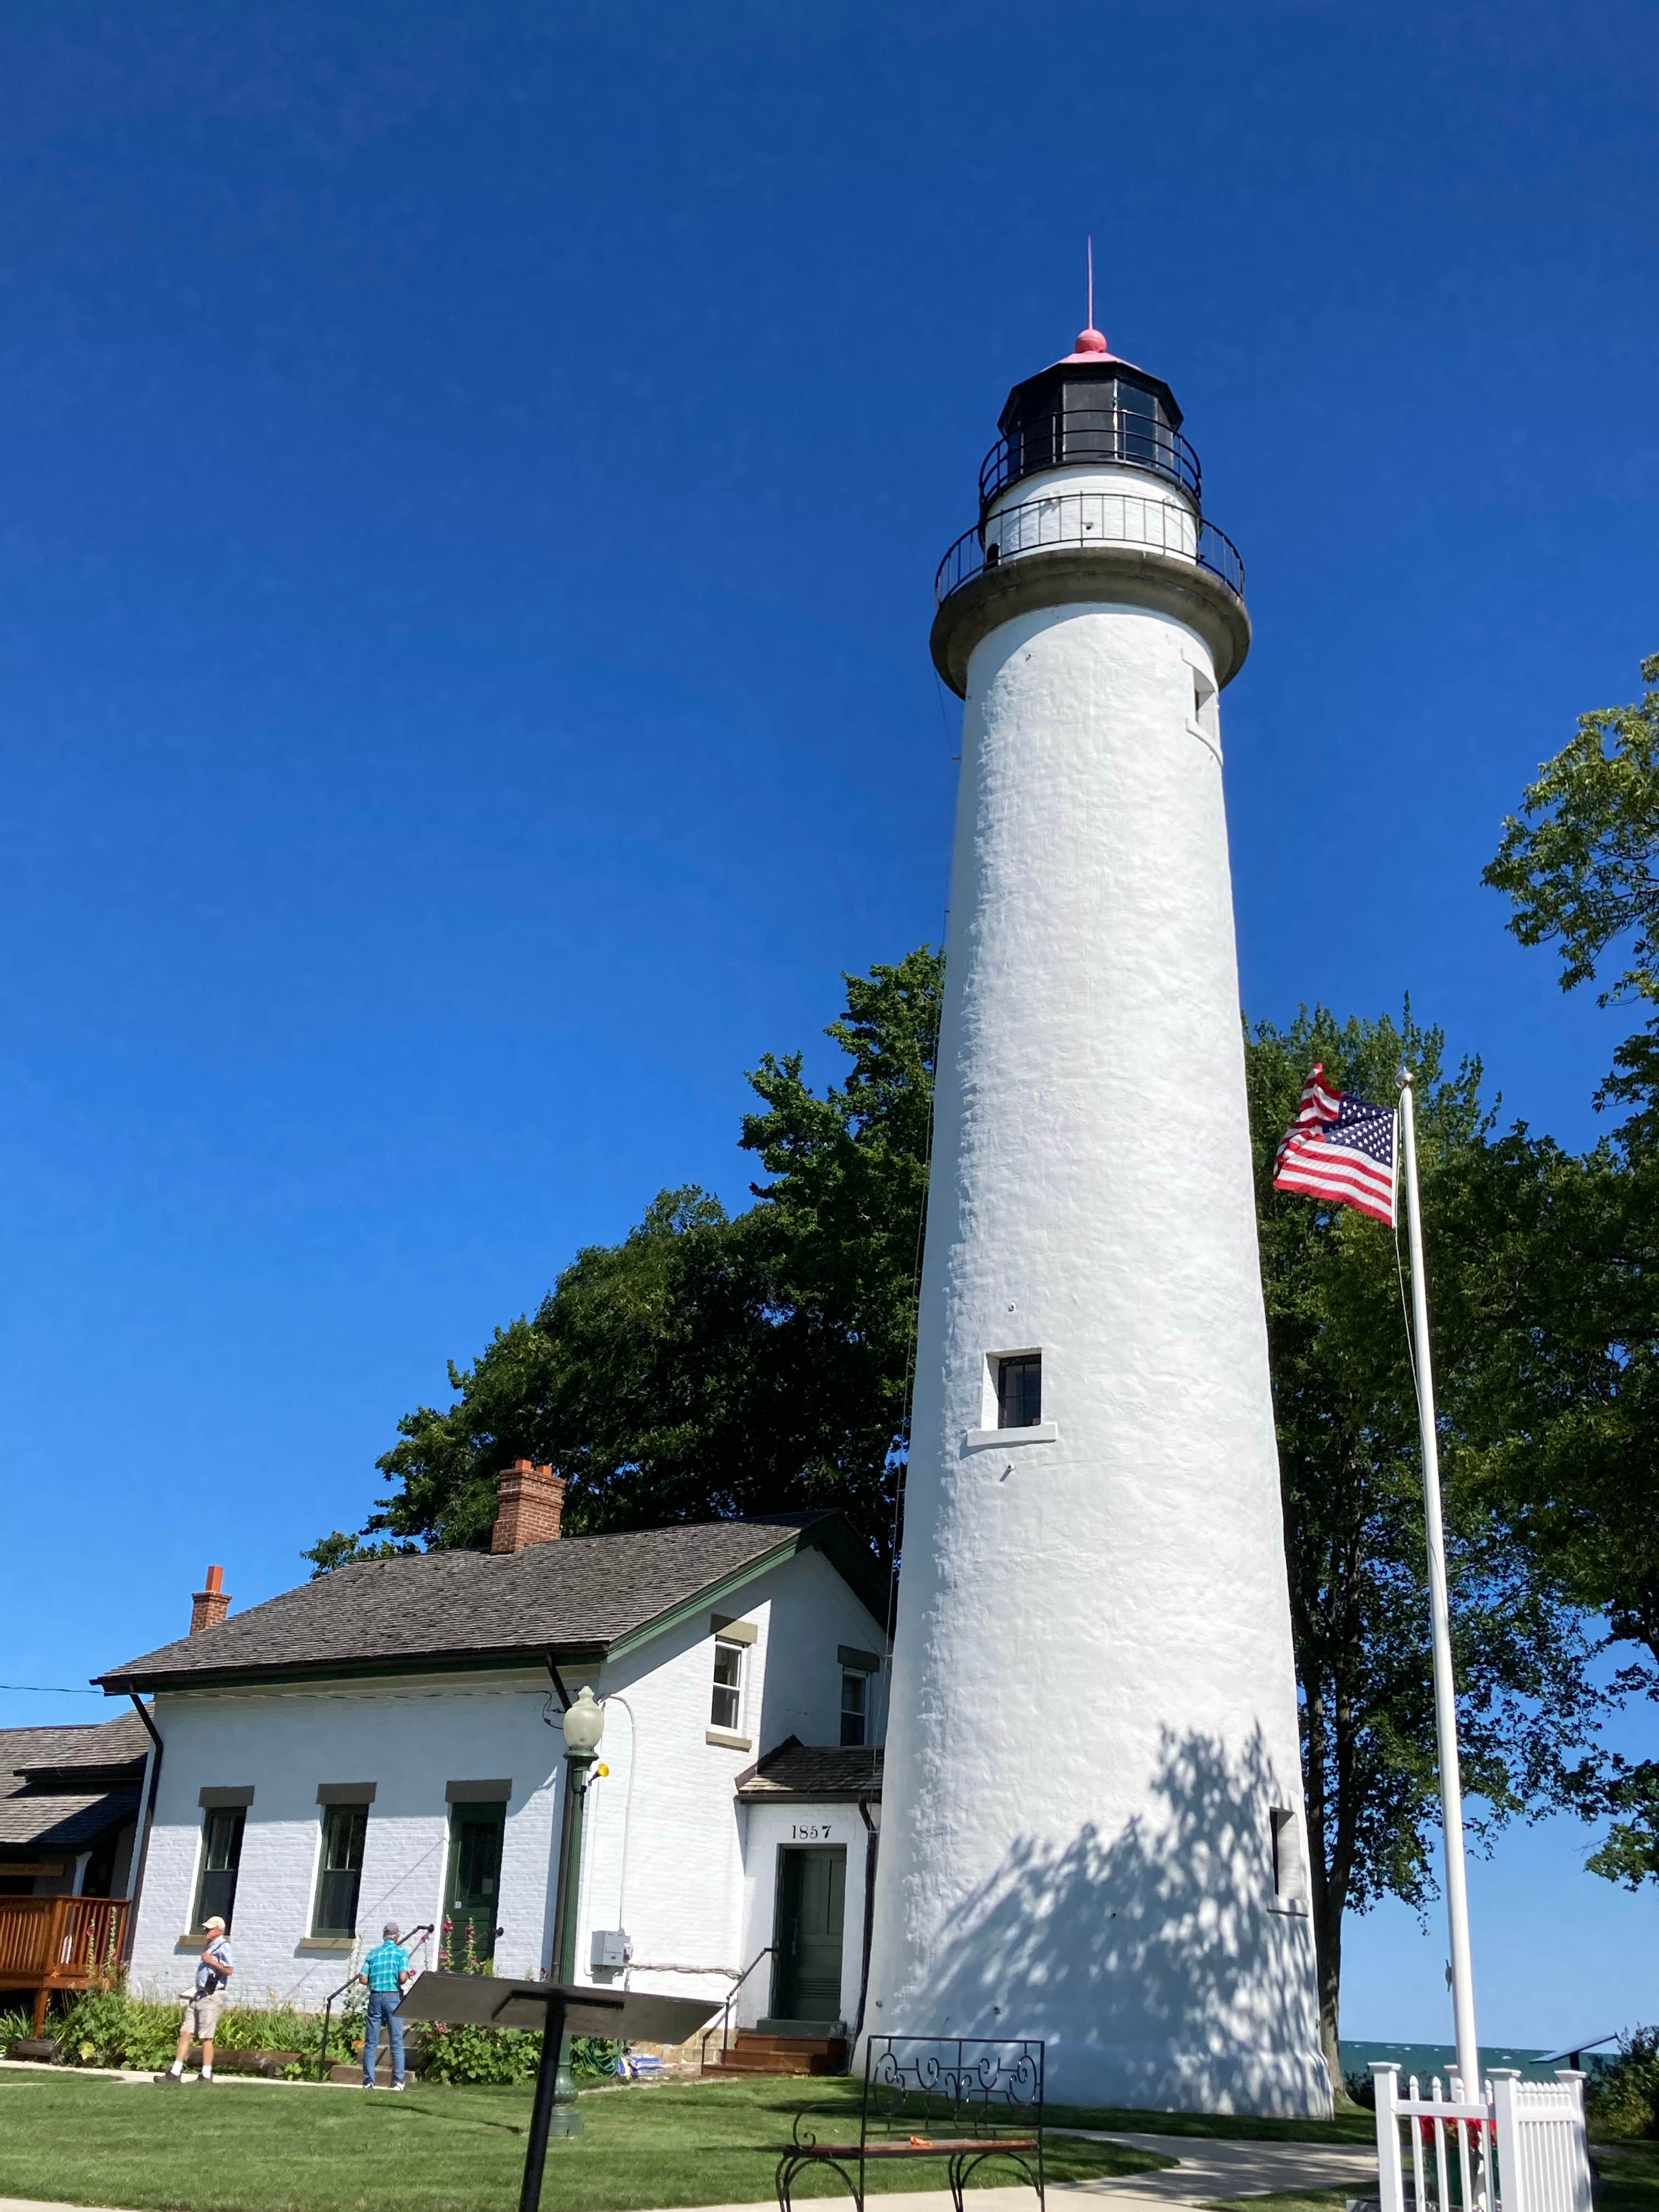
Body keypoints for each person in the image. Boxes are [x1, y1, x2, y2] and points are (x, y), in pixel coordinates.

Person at [162, 1915, 233, 2084]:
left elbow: (229, 1970)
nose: (205, 1931)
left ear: (219, 1930)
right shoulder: (210, 1946)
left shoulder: (224, 1946)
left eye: (209, 1929)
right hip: (199, 1995)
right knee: (185, 2033)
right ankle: (175, 2072)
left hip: (212, 1996)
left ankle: (206, 2075)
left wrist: (211, 1962)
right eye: (206, 1928)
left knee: (206, 2037)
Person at [358, 1920, 413, 2089]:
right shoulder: (400, 1952)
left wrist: (376, 1980)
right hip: (392, 1997)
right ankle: (398, 2081)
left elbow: (363, 1978)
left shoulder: (373, 1954)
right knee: (396, 2040)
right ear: (397, 1936)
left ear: (384, 1936)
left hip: (375, 1998)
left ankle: (368, 2081)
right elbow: (403, 1978)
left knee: (371, 2041)